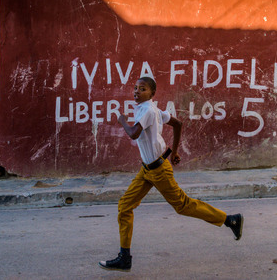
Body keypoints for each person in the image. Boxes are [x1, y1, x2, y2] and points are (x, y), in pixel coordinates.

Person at [99, 77, 243, 272]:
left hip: (159, 170)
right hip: (147, 170)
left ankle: (230, 220)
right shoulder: (150, 109)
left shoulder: (149, 110)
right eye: (135, 88)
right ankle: (125, 257)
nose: (136, 91)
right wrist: (174, 152)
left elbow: (133, 133)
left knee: (183, 205)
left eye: (142, 89)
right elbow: (177, 123)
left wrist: (122, 120)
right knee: (124, 206)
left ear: (151, 94)